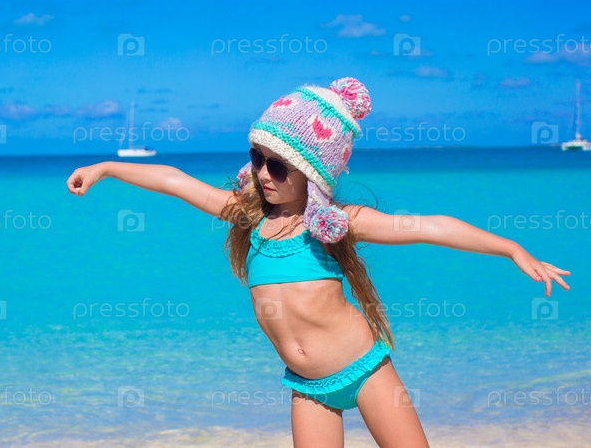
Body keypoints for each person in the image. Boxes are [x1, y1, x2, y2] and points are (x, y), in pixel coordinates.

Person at [66, 77, 570, 447]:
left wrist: (512, 249)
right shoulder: (247, 217)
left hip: (366, 373)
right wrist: (105, 167)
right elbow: (175, 181)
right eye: (257, 159)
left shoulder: (334, 222)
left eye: (278, 165)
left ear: (312, 172)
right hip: (307, 387)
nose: (264, 174)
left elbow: (428, 227)